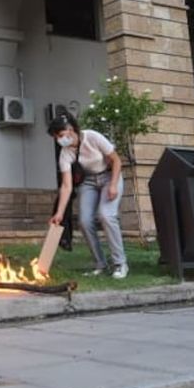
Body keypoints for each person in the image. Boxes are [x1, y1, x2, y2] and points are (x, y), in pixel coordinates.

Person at [48, 112, 128, 279]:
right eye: (56, 137)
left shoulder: (92, 137)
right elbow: (66, 186)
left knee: (107, 215)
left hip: (109, 176)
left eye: (61, 135)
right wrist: (59, 214)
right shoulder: (66, 153)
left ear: (71, 129)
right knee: (84, 221)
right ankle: (100, 264)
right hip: (89, 182)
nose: (59, 140)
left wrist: (113, 185)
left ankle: (120, 263)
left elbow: (116, 161)